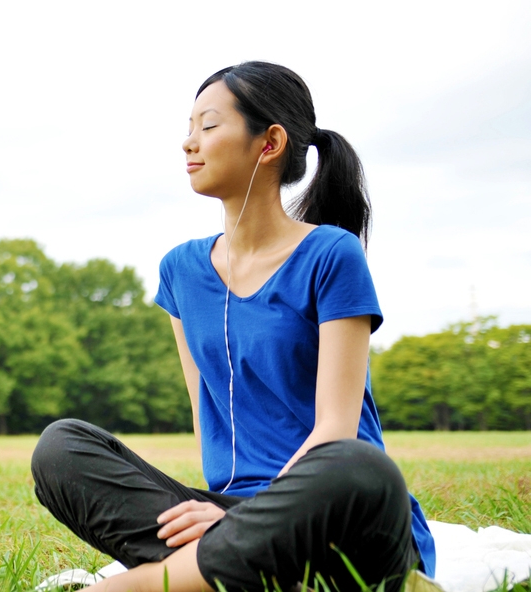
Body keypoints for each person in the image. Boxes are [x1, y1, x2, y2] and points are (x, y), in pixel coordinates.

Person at [30, 61, 436, 592]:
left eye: (209, 125)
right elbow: (210, 420)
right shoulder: (181, 271)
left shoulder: (330, 254)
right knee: (61, 448)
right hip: (228, 515)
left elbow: (335, 430)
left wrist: (244, 520)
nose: (188, 143)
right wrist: (225, 516)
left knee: (359, 467)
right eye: (189, 127)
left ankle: (150, 584)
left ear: (268, 144)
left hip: (335, 513)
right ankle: (231, 569)